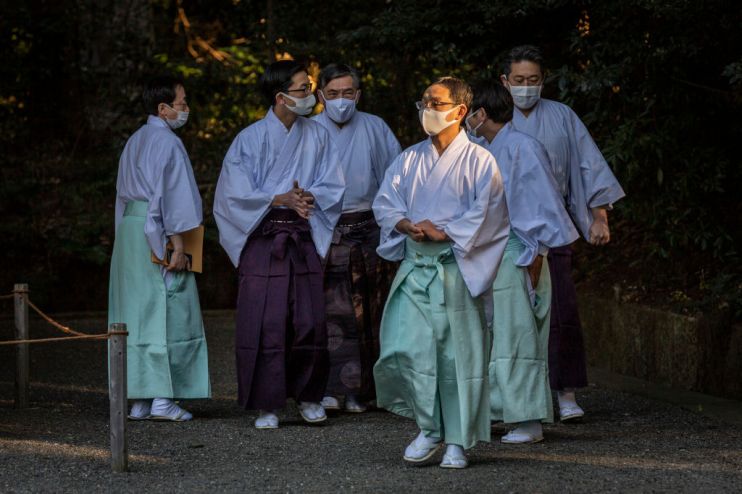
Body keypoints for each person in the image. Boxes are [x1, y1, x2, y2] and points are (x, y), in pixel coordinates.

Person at [373, 77, 510, 469]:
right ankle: (429, 426)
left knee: (456, 358)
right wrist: (403, 224)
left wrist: (444, 231)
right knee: (409, 348)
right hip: (415, 266)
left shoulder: (481, 160)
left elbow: (489, 213)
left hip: (455, 267)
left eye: (436, 102)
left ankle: (459, 439)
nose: (427, 110)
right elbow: (386, 202)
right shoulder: (409, 158)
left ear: (460, 110)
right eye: (424, 102)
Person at [213, 60, 345, 429]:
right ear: (282, 97)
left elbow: (333, 183)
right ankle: (267, 403)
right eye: (303, 88)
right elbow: (232, 194)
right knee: (264, 321)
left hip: (302, 234)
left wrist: (306, 197)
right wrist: (279, 198)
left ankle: (308, 396)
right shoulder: (249, 138)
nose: (310, 94)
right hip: (263, 237)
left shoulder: (318, 135)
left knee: (308, 320)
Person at [501, 45, 626, 420]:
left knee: (560, 312)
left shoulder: (562, 116)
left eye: (533, 80)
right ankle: (507, 397)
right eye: (519, 80)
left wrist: (598, 216)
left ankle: (566, 392)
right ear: (504, 82)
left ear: (544, 80)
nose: (526, 87)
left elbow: (588, 166)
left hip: (553, 227)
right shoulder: (490, 118)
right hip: (504, 234)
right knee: (508, 316)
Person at [466, 82, 579, 443]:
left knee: (518, 337)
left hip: (520, 249)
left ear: (481, 114)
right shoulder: (487, 148)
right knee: (496, 336)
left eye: (469, 111)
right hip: (495, 251)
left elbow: (542, 204)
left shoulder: (522, 147)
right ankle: (503, 411)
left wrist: (537, 255)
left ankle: (528, 419)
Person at [109, 75, 211, 422]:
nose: (186, 109)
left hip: (129, 232)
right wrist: (177, 245)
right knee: (170, 311)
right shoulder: (167, 143)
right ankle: (163, 398)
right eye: (181, 103)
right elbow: (172, 201)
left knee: (135, 315)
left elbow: (124, 198)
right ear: (163, 108)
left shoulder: (135, 140)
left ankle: (139, 398)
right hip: (159, 231)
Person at [312, 63, 402, 413]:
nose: (340, 100)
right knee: (333, 314)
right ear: (320, 96)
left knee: (374, 311)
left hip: (371, 229)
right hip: (326, 231)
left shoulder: (376, 127)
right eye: (332, 94)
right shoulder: (310, 131)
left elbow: (395, 179)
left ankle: (368, 390)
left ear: (358, 95)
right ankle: (332, 389)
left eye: (347, 93)